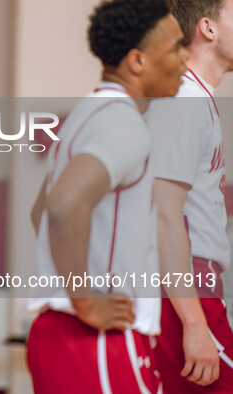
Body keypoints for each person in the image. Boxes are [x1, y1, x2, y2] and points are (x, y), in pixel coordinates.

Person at [27, 0, 187, 392]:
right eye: (175, 48)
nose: (185, 59)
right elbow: (63, 205)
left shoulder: (90, 111)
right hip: (95, 340)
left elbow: (40, 210)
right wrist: (85, 301)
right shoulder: (123, 123)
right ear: (137, 61)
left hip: (64, 335)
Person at [146, 0, 233, 391]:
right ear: (208, 28)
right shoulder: (185, 100)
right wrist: (195, 323)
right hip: (183, 288)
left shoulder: (197, 98)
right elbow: (162, 215)